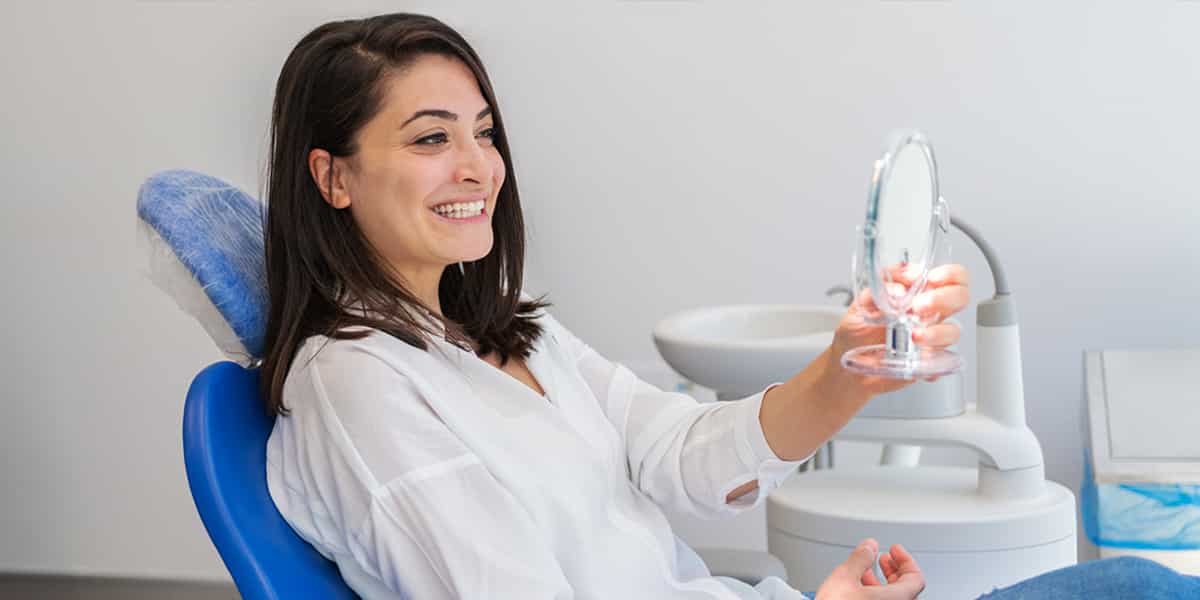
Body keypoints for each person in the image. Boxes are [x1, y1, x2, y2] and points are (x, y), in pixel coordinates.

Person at [257, 12, 1200, 600]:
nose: (479, 168)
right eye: (431, 139)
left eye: (484, 132)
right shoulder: (359, 385)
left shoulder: (508, 337)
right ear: (332, 175)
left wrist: (845, 370)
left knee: (1139, 584)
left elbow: (675, 452)